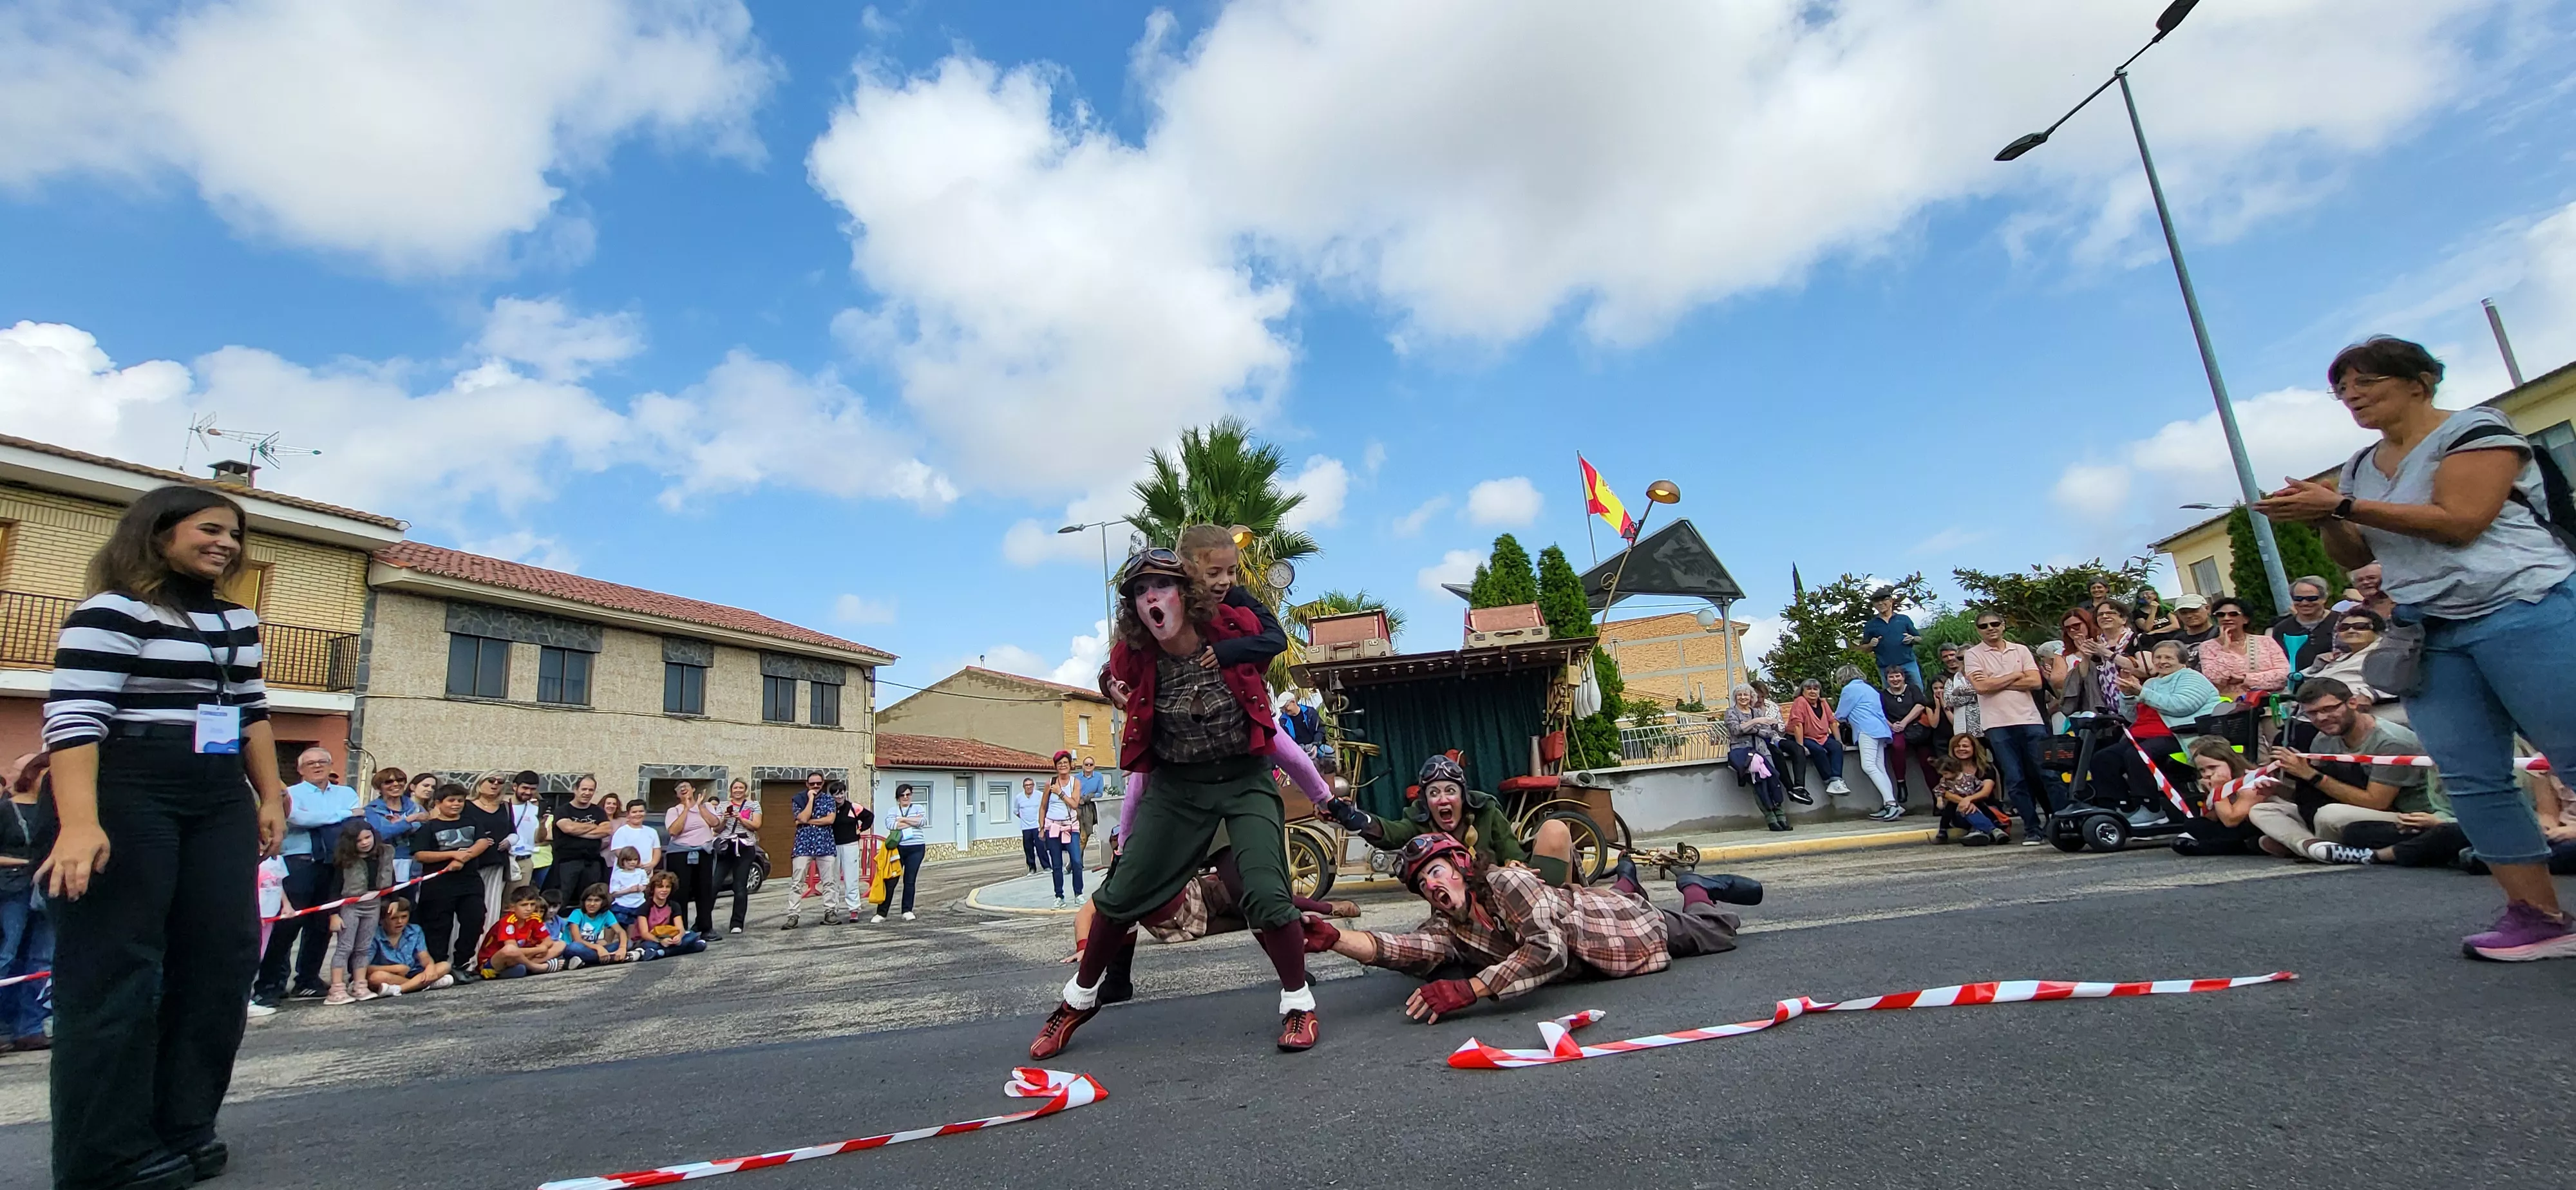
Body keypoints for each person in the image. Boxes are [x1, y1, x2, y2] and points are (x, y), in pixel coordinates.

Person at [2255, 333, 2576, 956]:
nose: (2352, 396)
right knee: (2471, 778)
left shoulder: (2476, 431)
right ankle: (2537, 916)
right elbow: (2355, 551)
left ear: (2419, 381)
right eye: (2342, 387)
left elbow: (2461, 521)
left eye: (2365, 382)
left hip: (2526, 605)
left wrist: (2345, 502)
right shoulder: (2358, 466)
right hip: (2429, 630)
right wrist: (2323, 518)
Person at [39, 484, 291, 1190]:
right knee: (116, 976)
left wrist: (270, 795)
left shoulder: (239, 620)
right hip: (127, 788)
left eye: (236, 534)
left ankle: (182, 1126)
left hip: (215, 794)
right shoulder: (110, 611)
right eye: (211, 529)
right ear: (158, 533)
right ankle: (104, 1158)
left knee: (221, 962)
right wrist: (81, 822)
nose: (227, 544)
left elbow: (251, 712)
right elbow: (76, 715)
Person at [1033, 547, 1319, 1060]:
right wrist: (1110, 687)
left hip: (1242, 778)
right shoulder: (1134, 654)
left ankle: (1298, 1003)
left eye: (1160, 588)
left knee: (1265, 895)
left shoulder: (1231, 628)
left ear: (1184, 594)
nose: (1150, 600)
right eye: (1140, 593)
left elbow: (1272, 638)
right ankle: (1079, 999)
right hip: (1177, 788)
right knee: (1118, 897)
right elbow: (1110, 675)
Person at [1305, 833, 1756, 1020]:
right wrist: (1334, 939)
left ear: (1463, 866)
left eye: (1438, 872)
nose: (1433, 886)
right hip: (1590, 918)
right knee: (1623, 889)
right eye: (1424, 884)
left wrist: (1472, 990)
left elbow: (1547, 951)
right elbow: (1405, 948)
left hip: (1622, 931)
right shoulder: (1451, 926)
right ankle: (1627, 874)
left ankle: (1696, 886)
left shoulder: (1508, 881)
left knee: (1716, 930)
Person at [2249, 677, 2446, 866]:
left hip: (2404, 815)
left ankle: (2304, 846)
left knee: (2329, 815)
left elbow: (2377, 802)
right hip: (2349, 806)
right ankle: (2314, 847)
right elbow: (2316, 794)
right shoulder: (2324, 738)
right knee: (2264, 809)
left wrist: (2310, 774)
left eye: (2329, 709)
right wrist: (2277, 790)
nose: (2321, 718)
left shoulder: (2391, 742)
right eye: (2312, 713)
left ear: (2352, 703)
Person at [1326, 753, 1577, 882]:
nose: (1443, 799)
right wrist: (1352, 818)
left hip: (1502, 892)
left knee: (1554, 830)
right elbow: (1390, 834)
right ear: (1426, 801)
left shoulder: (1485, 809)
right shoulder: (1419, 819)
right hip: (1461, 907)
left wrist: (1513, 865)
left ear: (1462, 794)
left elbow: (1510, 849)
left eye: (1450, 791)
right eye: (1434, 793)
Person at [258, 746, 357, 1005]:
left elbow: (354, 823)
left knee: (322, 925)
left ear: (330, 765)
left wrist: (330, 818)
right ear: (300, 770)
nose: (317, 766)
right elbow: (299, 819)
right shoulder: (290, 794)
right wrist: (340, 816)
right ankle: (271, 984)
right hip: (299, 865)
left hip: (332, 864)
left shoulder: (346, 793)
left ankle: (308, 980)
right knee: (287, 926)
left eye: (322, 761)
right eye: (310, 763)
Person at [1963, 610, 2049, 843]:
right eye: (1984, 626)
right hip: (1997, 724)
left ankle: (2061, 822)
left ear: (2003, 626)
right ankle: (2033, 829)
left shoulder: (2020, 650)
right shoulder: (1973, 655)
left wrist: (1996, 682)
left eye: (1994, 624)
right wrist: (2015, 674)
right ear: (1978, 630)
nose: (1990, 628)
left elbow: (2036, 682)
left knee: (2046, 773)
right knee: (2015, 778)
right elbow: (1981, 687)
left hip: (2031, 720)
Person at [410, 783, 497, 982]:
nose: (456, 804)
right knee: (439, 927)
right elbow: (420, 854)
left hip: (469, 881)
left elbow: (482, 842)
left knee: (475, 919)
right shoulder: (429, 827)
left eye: (460, 800)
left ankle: (461, 962)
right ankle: (440, 966)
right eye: (451, 801)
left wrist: (463, 859)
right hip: (439, 885)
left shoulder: (472, 821)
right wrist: (452, 856)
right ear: (439, 803)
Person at [3, 753, 57, 1052]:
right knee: (8, 955)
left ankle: (31, 1027)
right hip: (12, 890)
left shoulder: (57, 811)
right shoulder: (6, 810)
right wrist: (23, 861)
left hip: (44, 889)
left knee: (42, 960)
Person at [321, 824, 394, 1005]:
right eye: (359, 840)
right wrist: (334, 914)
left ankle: (360, 985)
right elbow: (335, 888)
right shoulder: (344, 860)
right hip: (350, 906)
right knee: (345, 947)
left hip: (374, 904)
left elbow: (391, 878)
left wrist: (394, 899)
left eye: (367, 838)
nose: (364, 843)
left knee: (363, 947)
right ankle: (337, 988)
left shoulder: (383, 854)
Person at [1832, 665, 1902, 821]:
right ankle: (1890, 803)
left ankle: (1891, 804)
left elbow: (1840, 714)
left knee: (1869, 766)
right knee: (1880, 768)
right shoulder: (1870, 689)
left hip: (1866, 730)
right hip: (1881, 730)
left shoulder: (1849, 690)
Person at [1719, 686, 1794, 831]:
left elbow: (1768, 732)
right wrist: (1756, 722)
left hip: (1763, 752)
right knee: (1759, 785)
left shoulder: (1757, 712)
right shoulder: (1731, 712)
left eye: (1746, 695)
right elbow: (1736, 730)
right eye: (1739, 695)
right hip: (1745, 754)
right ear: (1735, 697)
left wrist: (1749, 727)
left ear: (1751, 697)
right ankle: (1771, 820)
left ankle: (1782, 818)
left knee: (1774, 781)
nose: (1743, 698)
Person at [2198, 596, 2289, 703]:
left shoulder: (2266, 642)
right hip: (2230, 708)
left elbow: (2284, 675)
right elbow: (2214, 679)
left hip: (2270, 705)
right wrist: (2225, 649)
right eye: (2221, 615)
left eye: (2233, 614)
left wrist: (2245, 679)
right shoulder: (2207, 647)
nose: (2226, 618)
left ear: (2245, 619)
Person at [661, 780, 721, 934]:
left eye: (686, 787)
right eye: (679, 788)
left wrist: (699, 806)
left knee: (704, 891)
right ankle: (681, 928)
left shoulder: (706, 806)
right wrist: (687, 809)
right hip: (680, 854)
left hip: (703, 853)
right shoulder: (674, 811)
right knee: (680, 892)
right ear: (676, 794)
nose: (683, 789)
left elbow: (715, 823)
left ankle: (705, 926)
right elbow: (674, 831)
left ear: (694, 789)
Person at [782, 773, 841, 929]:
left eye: (819, 784)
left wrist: (808, 821)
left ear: (823, 784)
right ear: (807, 784)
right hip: (803, 845)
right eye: (812, 784)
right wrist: (810, 799)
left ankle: (830, 911)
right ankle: (793, 914)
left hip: (825, 844)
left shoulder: (829, 800)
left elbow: (830, 820)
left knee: (829, 881)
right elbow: (802, 817)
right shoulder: (799, 799)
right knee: (797, 882)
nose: (816, 787)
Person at [361, 898, 452, 997]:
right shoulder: (375, 935)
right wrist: (395, 968)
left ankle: (400, 989)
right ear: (382, 920)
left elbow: (424, 956)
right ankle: (425, 984)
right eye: (394, 918)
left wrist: (430, 967)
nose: (400, 921)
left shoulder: (415, 930)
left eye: (404, 917)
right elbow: (365, 967)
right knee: (376, 978)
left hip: (415, 972)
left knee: (445, 966)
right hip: (391, 975)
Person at [547, 775, 612, 914]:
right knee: (562, 900)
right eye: (584, 789)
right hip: (567, 863)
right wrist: (593, 826)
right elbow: (568, 828)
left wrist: (578, 831)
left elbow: (607, 830)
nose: (587, 793)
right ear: (575, 790)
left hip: (592, 864)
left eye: (591, 790)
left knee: (591, 900)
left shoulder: (598, 811)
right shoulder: (562, 810)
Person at [462, 773, 517, 927]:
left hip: (497, 863)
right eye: (491, 781)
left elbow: (512, 830)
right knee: (469, 907)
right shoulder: (467, 806)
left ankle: (486, 946)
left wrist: (510, 840)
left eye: (500, 782)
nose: (495, 784)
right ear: (480, 783)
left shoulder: (505, 806)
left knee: (491, 906)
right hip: (473, 863)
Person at [475, 885, 563, 979]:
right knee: (510, 951)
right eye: (524, 905)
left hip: (519, 958)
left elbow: (548, 941)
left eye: (532, 904)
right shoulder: (508, 922)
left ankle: (529, 966)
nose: (529, 909)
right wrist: (540, 949)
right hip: (494, 963)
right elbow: (513, 950)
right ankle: (537, 967)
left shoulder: (534, 918)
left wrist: (543, 947)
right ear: (512, 908)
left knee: (560, 944)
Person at [2304, 609, 2389, 706]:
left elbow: (2397, 679)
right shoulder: (2339, 657)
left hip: (2350, 708)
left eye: (2360, 627)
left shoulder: (2384, 655)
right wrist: (2317, 667)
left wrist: (2370, 694)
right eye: (2344, 628)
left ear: (2377, 631)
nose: (2351, 631)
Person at [1931, 735, 2007, 845]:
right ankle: (1994, 831)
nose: (1961, 749)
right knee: (1966, 808)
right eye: (1957, 746)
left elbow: (1985, 793)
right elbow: (1946, 793)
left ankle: (1978, 832)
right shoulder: (1948, 768)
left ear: (1974, 748)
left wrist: (1969, 800)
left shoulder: (1986, 768)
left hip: (1986, 808)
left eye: (1965, 746)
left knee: (1971, 808)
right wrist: (1966, 802)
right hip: (1959, 812)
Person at [1880, 664, 1937, 804]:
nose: (1895, 679)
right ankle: (1901, 784)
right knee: (1897, 747)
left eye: (1897, 676)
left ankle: (1937, 798)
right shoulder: (1882, 695)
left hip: (1917, 727)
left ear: (1903, 677)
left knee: (1927, 761)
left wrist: (1905, 722)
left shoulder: (1913, 689)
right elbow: (1879, 712)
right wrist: (1892, 725)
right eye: (1891, 677)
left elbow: (1920, 705)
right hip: (1896, 729)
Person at [711, 778, 762, 936]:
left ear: (745, 790)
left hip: (745, 847)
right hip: (726, 846)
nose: (738, 790)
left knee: (740, 887)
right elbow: (717, 829)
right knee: (714, 884)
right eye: (735, 788)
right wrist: (725, 819)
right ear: (731, 790)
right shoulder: (722, 806)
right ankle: (703, 922)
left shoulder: (753, 805)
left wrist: (741, 818)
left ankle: (737, 923)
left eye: (741, 788)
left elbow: (756, 826)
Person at [1781, 678, 1842, 804]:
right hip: (1804, 736)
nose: (1813, 692)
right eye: (1809, 689)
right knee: (1818, 751)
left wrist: (1839, 740)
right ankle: (1828, 781)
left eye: (1816, 689)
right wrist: (1801, 746)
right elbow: (1798, 725)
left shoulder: (1823, 703)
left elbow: (1832, 722)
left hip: (1822, 736)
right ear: (1802, 691)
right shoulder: (1800, 702)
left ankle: (1836, 779)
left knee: (1836, 747)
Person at [876, 784, 927, 923]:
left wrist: (903, 820)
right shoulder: (893, 810)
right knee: (891, 880)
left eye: (908, 794)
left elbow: (922, 822)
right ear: (898, 798)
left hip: (916, 847)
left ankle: (907, 910)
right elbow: (891, 825)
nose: (905, 797)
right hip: (898, 848)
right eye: (902, 795)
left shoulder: (918, 808)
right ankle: (882, 913)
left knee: (909, 880)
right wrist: (912, 822)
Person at [362, 768, 423, 883]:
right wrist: (409, 820)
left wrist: (400, 824)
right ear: (379, 787)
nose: (396, 784)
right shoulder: (371, 810)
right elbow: (379, 834)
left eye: (400, 780)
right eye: (388, 782)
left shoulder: (416, 808)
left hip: (414, 864)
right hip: (386, 864)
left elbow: (427, 830)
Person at [2269, 576, 2340, 674]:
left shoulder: (2342, 623)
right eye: (2298, 598)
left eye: (2311, 598)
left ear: (2324, 598)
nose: (2304, 603)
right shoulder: (2282, 628)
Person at [1043, 754, 1086, 908]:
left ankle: (1078, 893)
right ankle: (1059, 896)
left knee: (1076, 861)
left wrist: (1060, 793)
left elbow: (1074, 804)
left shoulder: (1075, 783)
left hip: (1070, 827)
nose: (1063, 766)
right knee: (1056, 864)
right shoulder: (1050, 783)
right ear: (1056, 766)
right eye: (1059, 763)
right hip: (1052, 827)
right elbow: (1043, 807)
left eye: (1065, 763)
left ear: (1070, 765)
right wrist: (1041, 828)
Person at [1860, 587, 1924, 690]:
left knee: (1918, 692)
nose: (1880, 603)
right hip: (1886, 667)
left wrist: (1913, 639)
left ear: (1891, 601)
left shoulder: (1904, 619)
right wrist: (1870, 645)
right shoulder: (1870, 625)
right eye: (1876, 601)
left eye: (1883, 600)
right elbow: (1863, 649)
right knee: (1891, 697)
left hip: (1908, 664)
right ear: (1874, 605)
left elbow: (1920, 639)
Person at [830, 782, 876, 925]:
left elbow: (870, 816)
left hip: (850, 845)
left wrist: (860, 829)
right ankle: (832, 909)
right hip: (833, 846)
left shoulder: (853, 807)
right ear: (832, 795)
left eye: (842, 792)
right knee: (832, 880)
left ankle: (854, 909)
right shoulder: (829, 809)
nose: (840, 796)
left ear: (845, 793)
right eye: (836, 793)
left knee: (851, 878)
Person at [634, 873, 707, 959]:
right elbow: (644, 933)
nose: (664, 890)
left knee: (691, 935)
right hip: (653, 939)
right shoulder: (645, 907)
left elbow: (681, 928)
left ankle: (661, 953)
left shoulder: (674, 906)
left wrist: (678, 937)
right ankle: (689, 948)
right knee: (647, 945)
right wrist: (660, 941)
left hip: (670, 937)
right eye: (660, 887)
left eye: (668, 887)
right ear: (653, 889)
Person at [560, 885, 632, 965]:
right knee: (574, 947)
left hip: (593, 950)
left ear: (603, 902)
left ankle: (587, 961)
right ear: (584, 902)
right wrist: (598, 948)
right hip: (577, 948)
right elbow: (577, 940)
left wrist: (622, 948)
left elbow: (620, 931)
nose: (592, 904)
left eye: (597, 901)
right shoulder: (577, 913)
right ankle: (611, 959)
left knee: (628, 943)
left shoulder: (606, 914)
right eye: (589, 900)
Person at [1934, 642, 1981, 746]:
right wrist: (1973, 695)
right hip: (1963, 728)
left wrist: (1960, 691)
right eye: (1960, 658)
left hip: (1985, 725)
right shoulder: (1951, 680)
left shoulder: (1984, 673)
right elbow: (1949, 701)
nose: (1952, 659)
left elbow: (1984, 691)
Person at [506, 770, 546, 889]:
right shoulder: (503, 807)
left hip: (524, 861)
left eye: (533, 789)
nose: (528, 792)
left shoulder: (535, 810)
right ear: (514, 787)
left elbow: (539, 839)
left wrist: (542, 824)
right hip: (504, 860)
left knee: (516, 903)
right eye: (525, 788)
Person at [607, 798, 660, 872]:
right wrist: (636, 864)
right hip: (626, 874)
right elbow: (619, 852)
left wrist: (653, 864)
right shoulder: (621, 832)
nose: (638, 814)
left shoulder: (652, 832)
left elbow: (657, 850)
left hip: (646, 873)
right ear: (628, 814)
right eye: (634, 812)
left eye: (641, 811)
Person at [606, 846, 653, 926]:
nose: (632, 862)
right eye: (629, 860)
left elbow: (645, 884)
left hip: (639, 904)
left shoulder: (641, 873)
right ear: (622, 861)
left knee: (635, 925)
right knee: (619, 924)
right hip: (622, 905)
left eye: (635, 860)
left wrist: (642, 888)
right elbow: (614, 893)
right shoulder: (618, 875)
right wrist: (629, 890)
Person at [1014, 776, 1045, 873]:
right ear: (1024, 787)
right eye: (1027, 785)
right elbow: (1016, 811)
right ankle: (1032, 868)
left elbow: (1045, 808)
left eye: (1030, 785)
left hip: (1037, 826)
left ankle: (1047, 866)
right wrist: (1024, 818)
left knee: (1041, 847)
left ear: (1034, 786)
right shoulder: (1019, 798)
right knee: (1028, 849)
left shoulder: (1040, 795)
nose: (1029, 787)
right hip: (1026, 827)